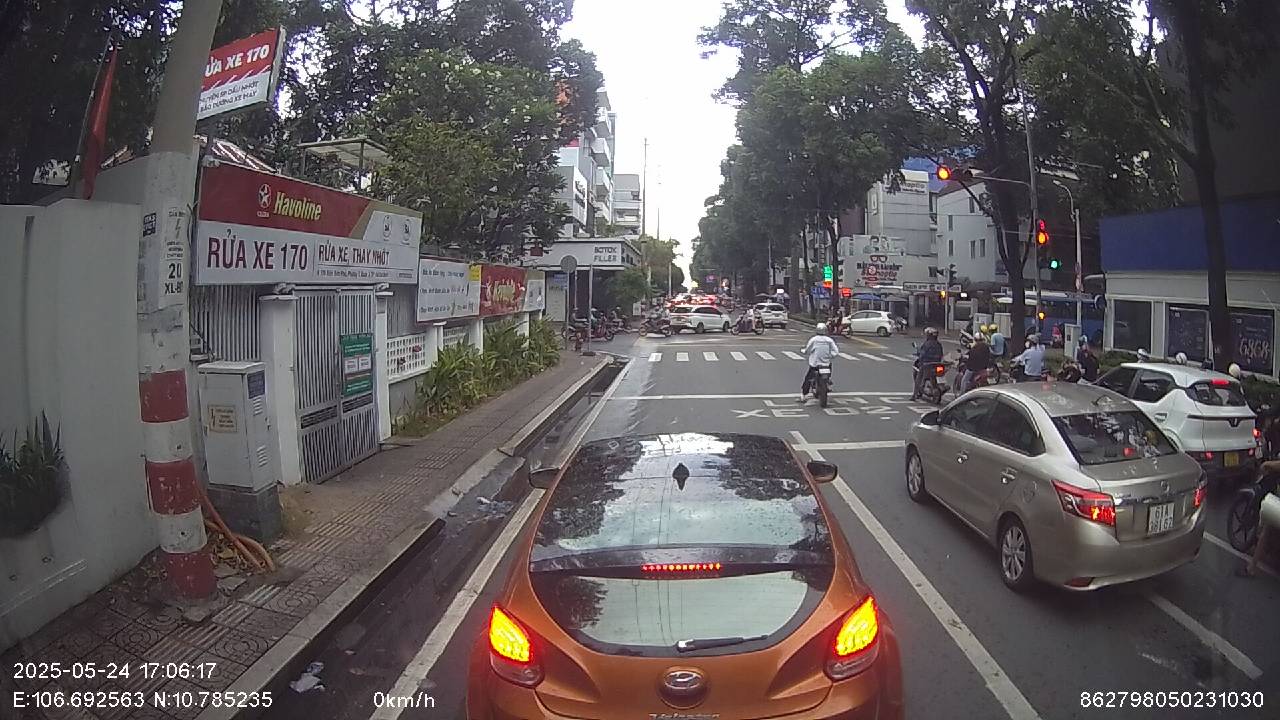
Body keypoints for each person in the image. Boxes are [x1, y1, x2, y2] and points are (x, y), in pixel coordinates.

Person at [799, 323, 840, 403]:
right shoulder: (829, 340)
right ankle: (827, 381)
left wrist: (804, 351)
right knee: (829, 371)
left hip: (815, 364)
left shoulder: (814, 339)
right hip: (826, 363)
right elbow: (835, 351)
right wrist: (830, 356)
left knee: (808, 379)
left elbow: (808, 350)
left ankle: (804, 395)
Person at [912, 327, 945, 400]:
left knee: (918, 378)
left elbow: (922, 354)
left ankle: (914, 395)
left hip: (927, 364)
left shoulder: (927, 344)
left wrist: (920, 358)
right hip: (937, 364)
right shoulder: (938, 344)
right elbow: (941, 354)